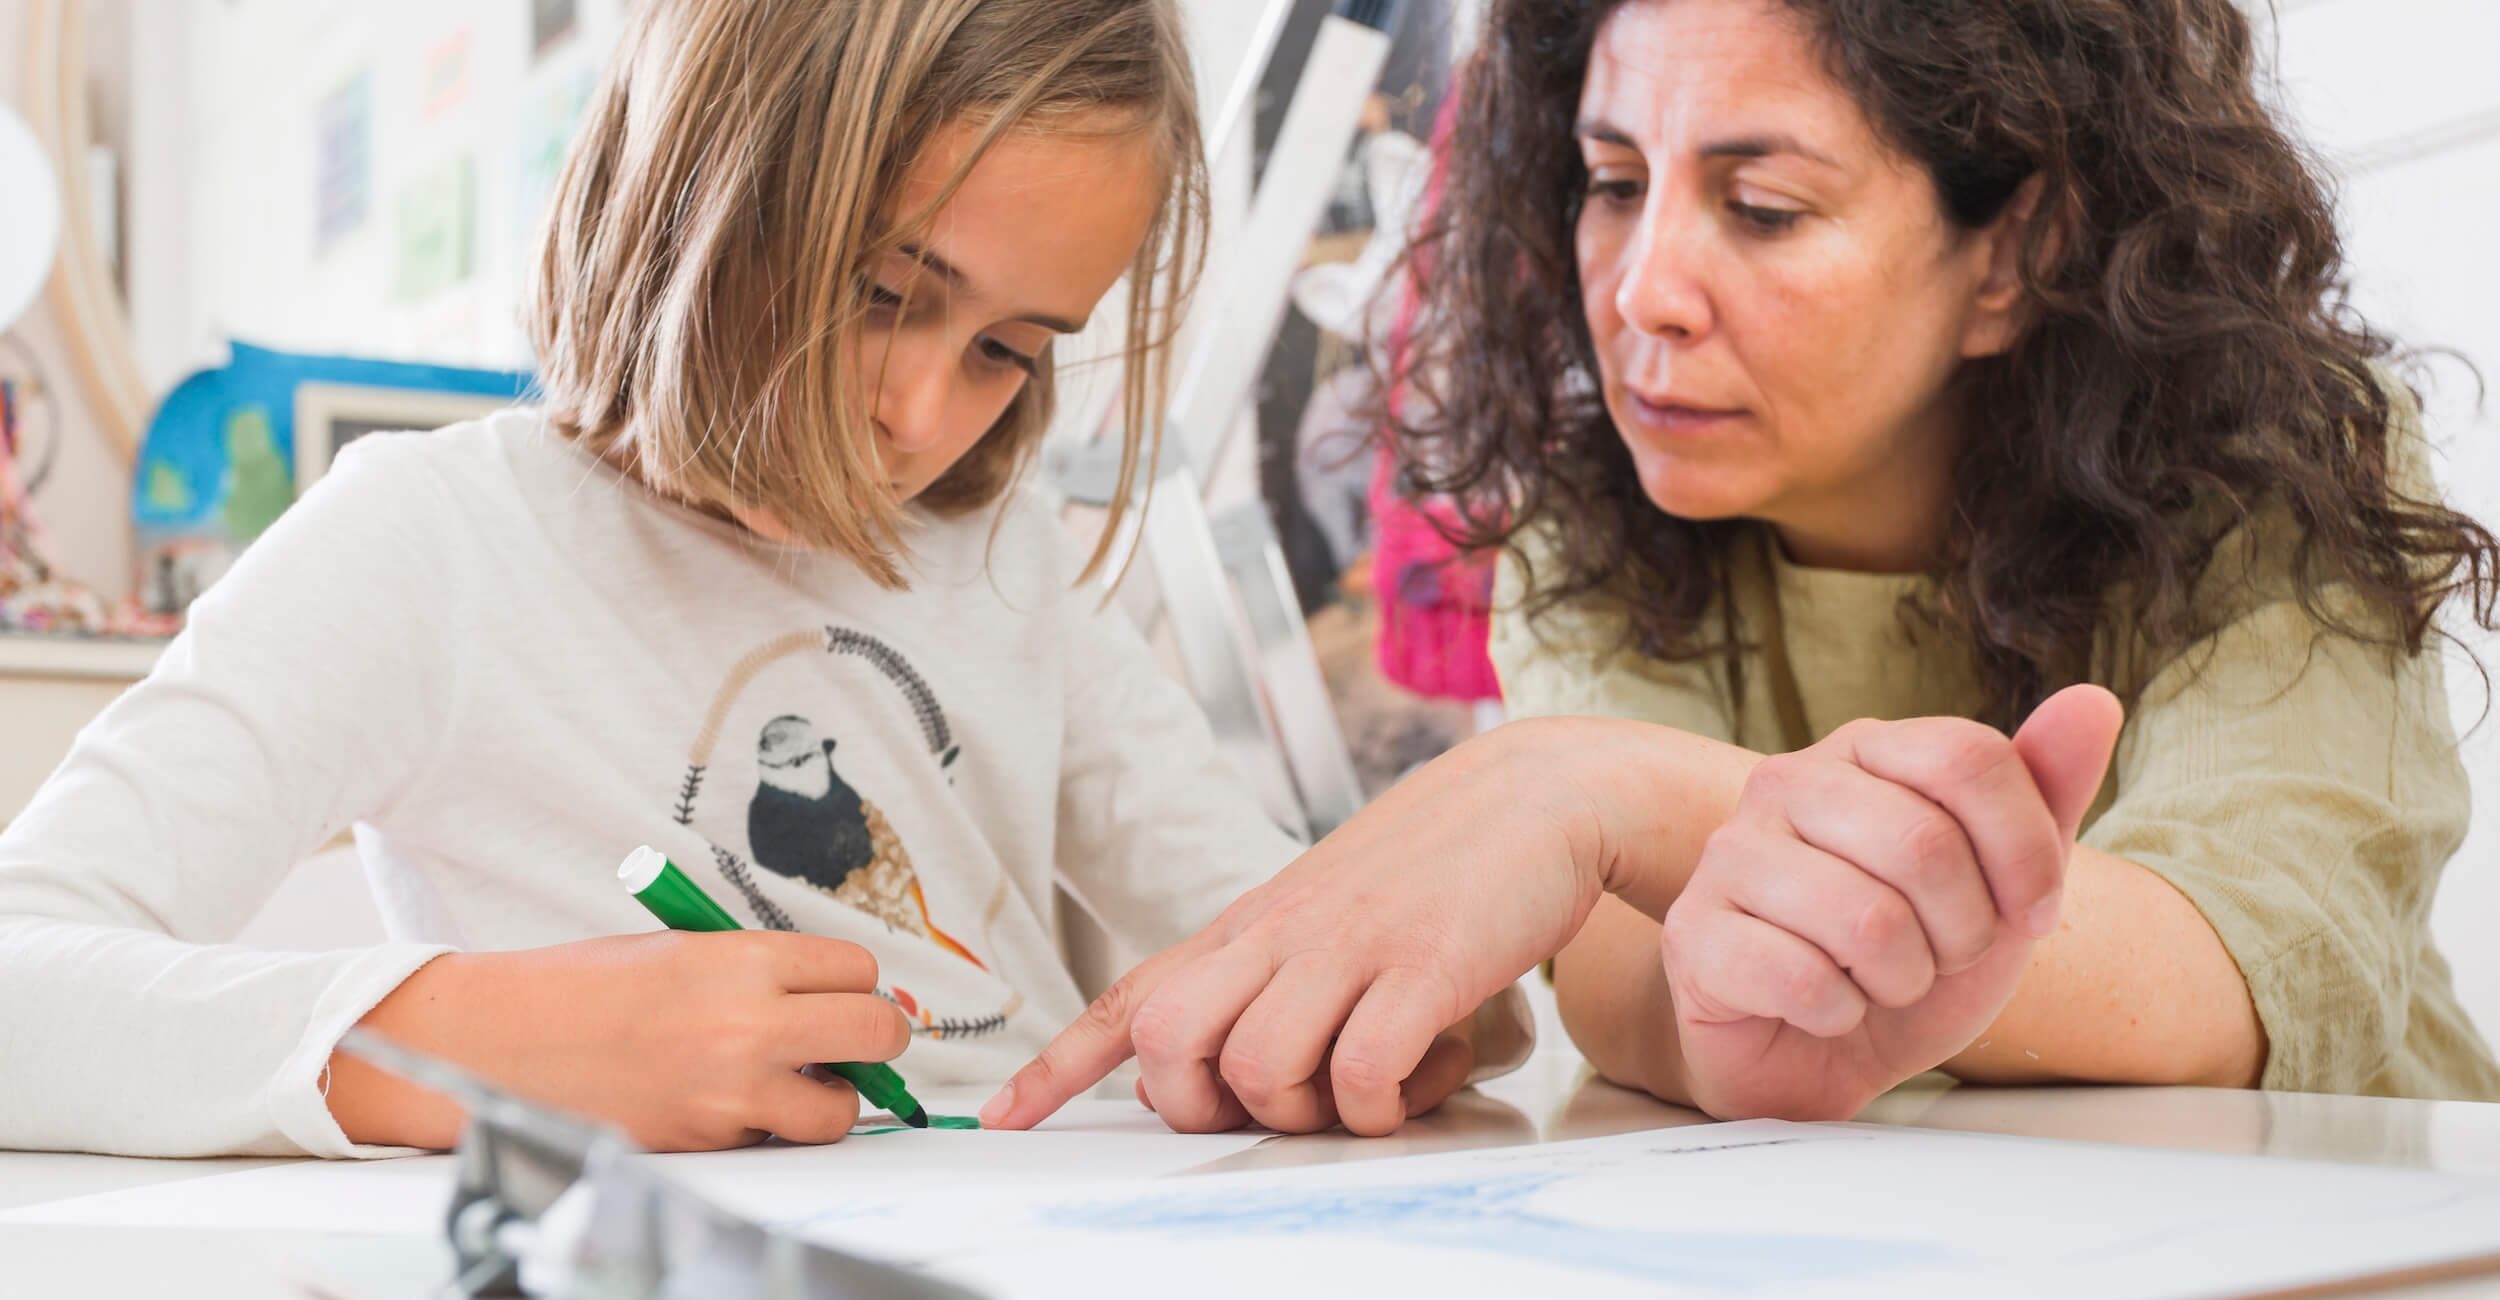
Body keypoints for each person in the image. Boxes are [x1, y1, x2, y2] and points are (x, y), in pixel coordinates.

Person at [0, 0, 1548, 1160]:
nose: (924, 416)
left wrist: (1377, 1009)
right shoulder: (429, 541)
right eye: (887, 294)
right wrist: (464, 1045)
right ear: (701, 181)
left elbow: (1254, 917)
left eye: (1007, 352)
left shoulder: (993, 551)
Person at [982, 0, 2500, 1135]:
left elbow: (2229, 973)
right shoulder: (1589, 515)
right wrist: (1735, 1035)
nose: (1642, 293)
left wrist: (1602, 791)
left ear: (2015, 250)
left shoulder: (2276, 466)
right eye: (1613, 182)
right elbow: (1635, 994)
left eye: (1762, 209)